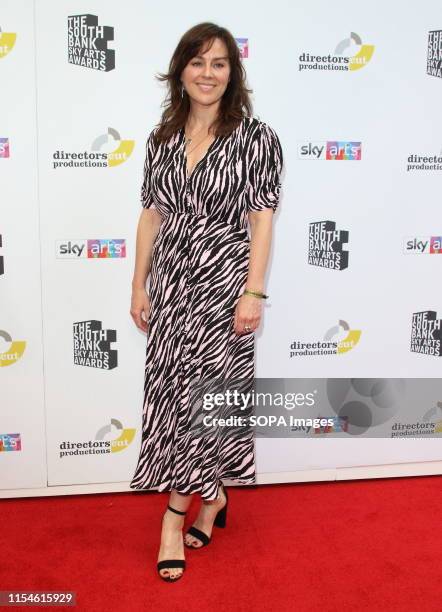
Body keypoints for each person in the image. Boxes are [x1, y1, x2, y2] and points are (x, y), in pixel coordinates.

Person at [129, 22, 283, 582]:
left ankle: (175, 517)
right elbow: (151, 213)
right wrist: (138, 283)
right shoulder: (162, 135)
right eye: (198, 62)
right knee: (175, 400)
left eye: (219, 63)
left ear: (232, 72)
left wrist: (253, 291)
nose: (208, 73)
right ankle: (213, 497)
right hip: (171, 287)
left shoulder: (256, 137)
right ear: (181, 70)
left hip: (223, 290)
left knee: (210, 402)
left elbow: (261, 218)